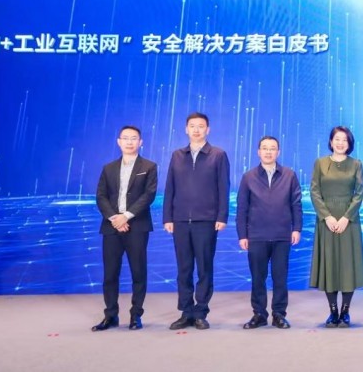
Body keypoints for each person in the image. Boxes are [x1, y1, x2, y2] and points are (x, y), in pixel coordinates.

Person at [163, 112, 230, 330]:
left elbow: (223, 187)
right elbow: (170, 188)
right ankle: (186, 311)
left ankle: (201, 311)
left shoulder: (218, 155)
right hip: (180, 220)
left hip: (206, 221)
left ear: (207, 130)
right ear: (186, 129)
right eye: (192, 126)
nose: (196, 130)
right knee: (183, 268)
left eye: (201, 126)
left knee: (204, 268)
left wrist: (221, 216)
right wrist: (168, 217)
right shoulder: (177, 155)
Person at [92, 125, 157, 331]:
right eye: (126, 138)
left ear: (141, 142)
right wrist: (114, 218)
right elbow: (101, 196)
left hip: (137, 225)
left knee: (138, 272)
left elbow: (149, 195)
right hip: (111, 227)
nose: (130, 142)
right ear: (119, 142)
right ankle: (110, 315)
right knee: (110, 273)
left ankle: (136, 315)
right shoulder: (108, 168)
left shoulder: (149, 166)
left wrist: (126, 216)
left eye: (134, 138)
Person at [236, 136, 303, 330]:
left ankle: (279, 314)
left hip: (282, 235)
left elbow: (296, 204)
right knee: (258, 277)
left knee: (280, 278)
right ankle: (259, 314)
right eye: (264, 148)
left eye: (272, 148)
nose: (268, 152)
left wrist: (296, 228)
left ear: (278, 152)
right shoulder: (248, 177)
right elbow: (242, 208)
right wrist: (242, 235)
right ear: (258, 152)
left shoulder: (289, 175)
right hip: (256, 235)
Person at [309, 126, 363, 328]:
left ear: (349, 143)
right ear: (331, 141)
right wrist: (327, 217)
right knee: (330, 265)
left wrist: (346, 218)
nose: (340, 143)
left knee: (347, 265)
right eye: (337, 139)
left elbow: (359, 193)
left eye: (344, 140)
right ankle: (333, 311)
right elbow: (314, 192)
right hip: (326, 221)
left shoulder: (356, 164)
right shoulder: (320, 163)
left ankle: (345, 311)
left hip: (349, 221)